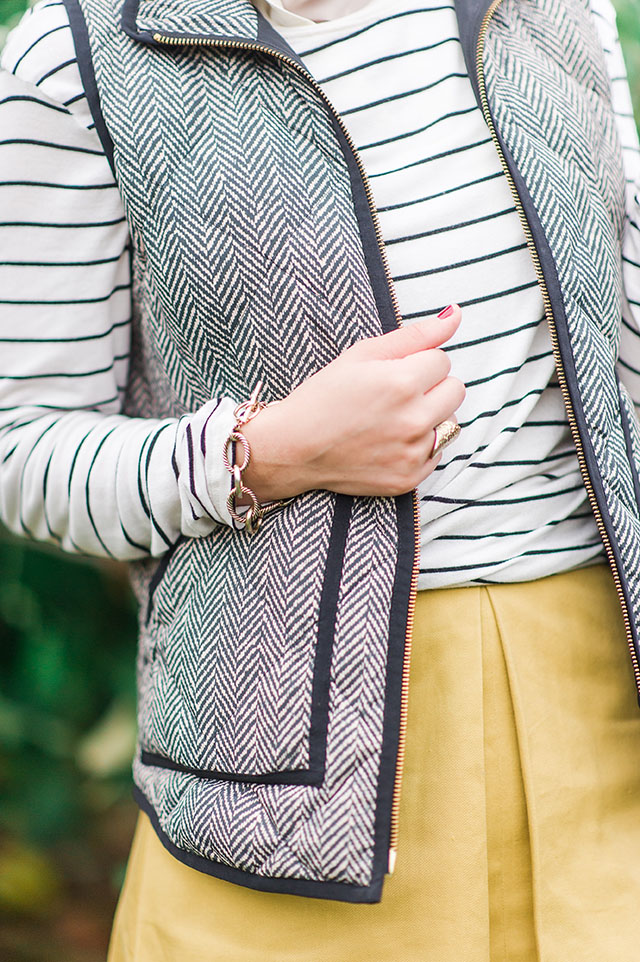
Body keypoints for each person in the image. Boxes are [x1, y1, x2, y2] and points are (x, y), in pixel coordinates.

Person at [1, 0, 640, 958]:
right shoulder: (81, 50)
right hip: (274, 779)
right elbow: (20, 448)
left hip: (601, 721)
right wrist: (269, 452)